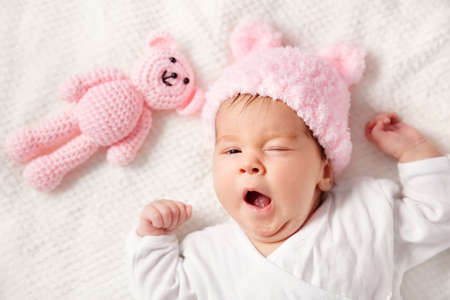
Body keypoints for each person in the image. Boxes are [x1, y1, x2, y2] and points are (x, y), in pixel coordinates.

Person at [125, 18, 450, 300]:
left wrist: (414, 151)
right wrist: (153, 239)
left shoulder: (364, 216)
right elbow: (161, 292)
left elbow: (437, 217)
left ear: (324, 170)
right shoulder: (209, 255)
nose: (248, 164)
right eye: (231, 151)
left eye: (276, 148)